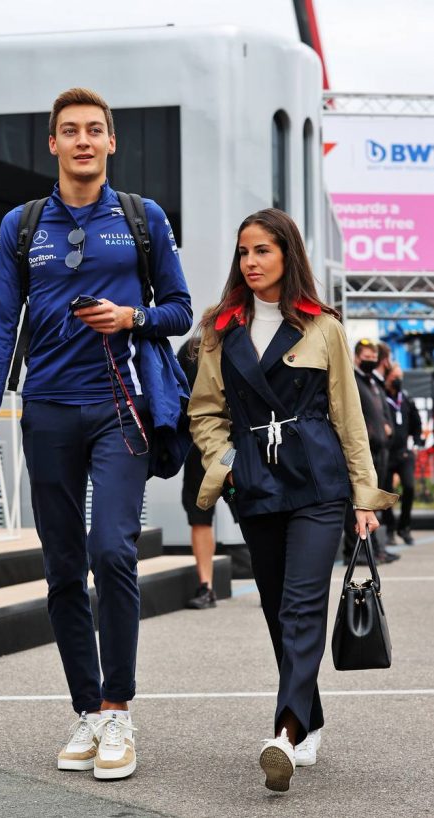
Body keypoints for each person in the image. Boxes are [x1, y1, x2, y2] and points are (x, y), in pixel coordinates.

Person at [0, 87, 192, 780]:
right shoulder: (22, 225)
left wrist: (131, 318)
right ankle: (88, 712)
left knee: (113, 551)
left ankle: (119, 710)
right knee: (63, 566)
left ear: (111, 142)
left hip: (121, 409)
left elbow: (180, 310)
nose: (84, 140)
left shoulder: (142, 218)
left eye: (95, 130)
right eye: (71, 131)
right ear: (53, 144)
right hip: (47, 411)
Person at [188, 208, 397, 793]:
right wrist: (227, 465)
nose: (250, 262)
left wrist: (364, 498)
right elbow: (205, 411)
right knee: (277, 607)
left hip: (317, 481)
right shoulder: (220, 328)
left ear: (288, 254)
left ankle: (285, 731)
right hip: (255, 481)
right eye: (243, 252)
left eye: (262, 251)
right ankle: (311, 717)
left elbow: (349, 418)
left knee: (302, 605)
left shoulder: (322, 326)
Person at [342, 340, 399, 565]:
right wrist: (371, 432)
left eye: (373, 357)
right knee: (358, 502)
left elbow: (382, 411)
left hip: (380, 449)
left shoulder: (373, 382)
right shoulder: (353, 381)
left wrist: (387, 427)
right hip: (364, 449)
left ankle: (375, 549)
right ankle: (355, 551)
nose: (371, 361)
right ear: (357, 357)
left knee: (374, 502)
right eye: (366, 357)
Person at [177, 338, 218, 609]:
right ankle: (206, 586)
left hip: (238, 446)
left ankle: (269, 584)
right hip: (200, 447)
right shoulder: (192, 349)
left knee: (253, 511)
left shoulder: (247, 344)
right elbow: (177, 392)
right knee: (199, 514)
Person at [383, 363, 423, 545]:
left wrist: (415, 443)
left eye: (400, 377)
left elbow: (417, 424)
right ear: (387, 377)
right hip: (386, 454)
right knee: (386, 493)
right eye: (394, 377)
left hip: (404, 454)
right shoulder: (381, 398)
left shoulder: (406, 399)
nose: (398, 380)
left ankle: (404, 527)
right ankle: (389, 529)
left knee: (409, 487)